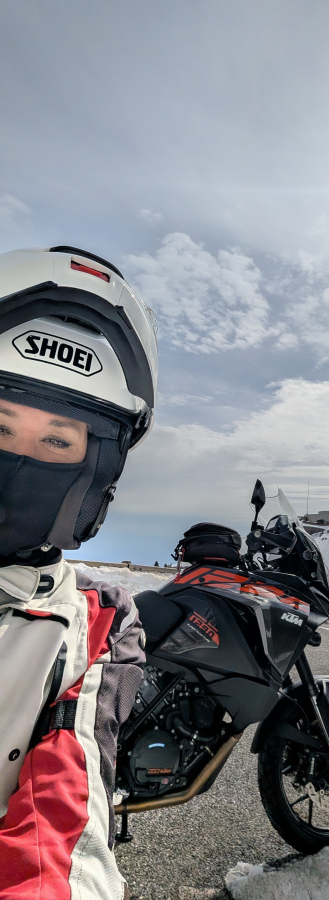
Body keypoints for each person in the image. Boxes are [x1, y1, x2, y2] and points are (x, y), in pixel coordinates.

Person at [0, 246, 158, 900]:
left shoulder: (96, 620)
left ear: (93, 471)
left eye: (58, 441)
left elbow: (62, 825)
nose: (22, 458)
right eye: (1, 427)